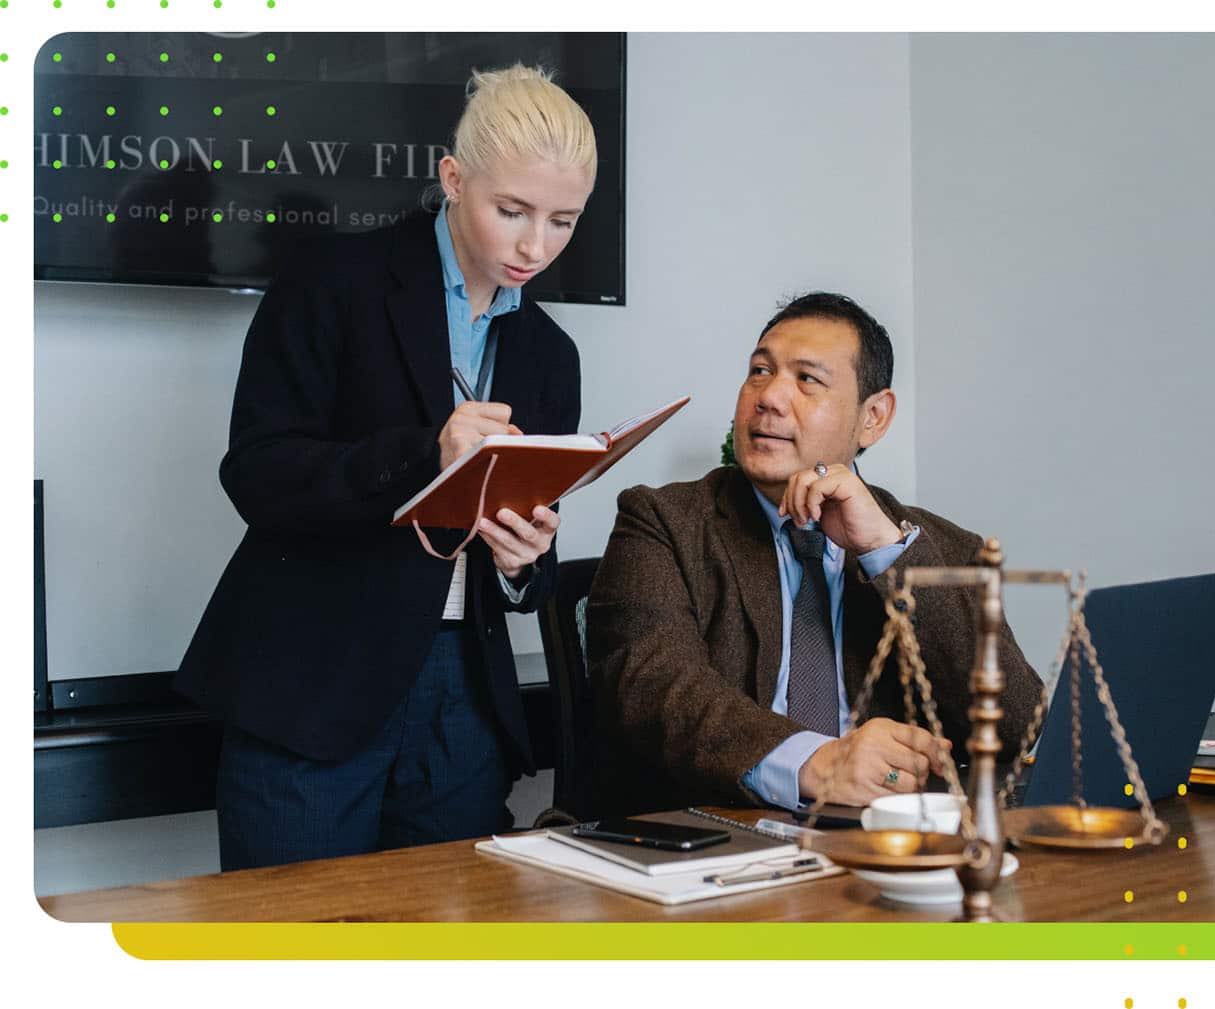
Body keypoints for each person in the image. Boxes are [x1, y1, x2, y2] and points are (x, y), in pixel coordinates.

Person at [176, 65, 597, 870]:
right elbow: (258, 474)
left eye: (562, 221)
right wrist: (423, 453)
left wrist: (524, 561)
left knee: (443, 957)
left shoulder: (551, 355)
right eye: (510, 210)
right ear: (451, 177)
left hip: (464, 699)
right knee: (286, 953)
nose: (534, 245)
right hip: (314, 682)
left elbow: (526, 559)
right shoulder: (332, 280)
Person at [586, 292, 1043, 816]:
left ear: (873, 417)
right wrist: (817, 762)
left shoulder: (942, 549)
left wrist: (885, 553)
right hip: (716, 836)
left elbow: (1015, 726)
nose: (770, 397)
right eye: (760, 370)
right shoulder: (664, 522)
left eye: (807, 379)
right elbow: (654, 691)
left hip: (886, 844)